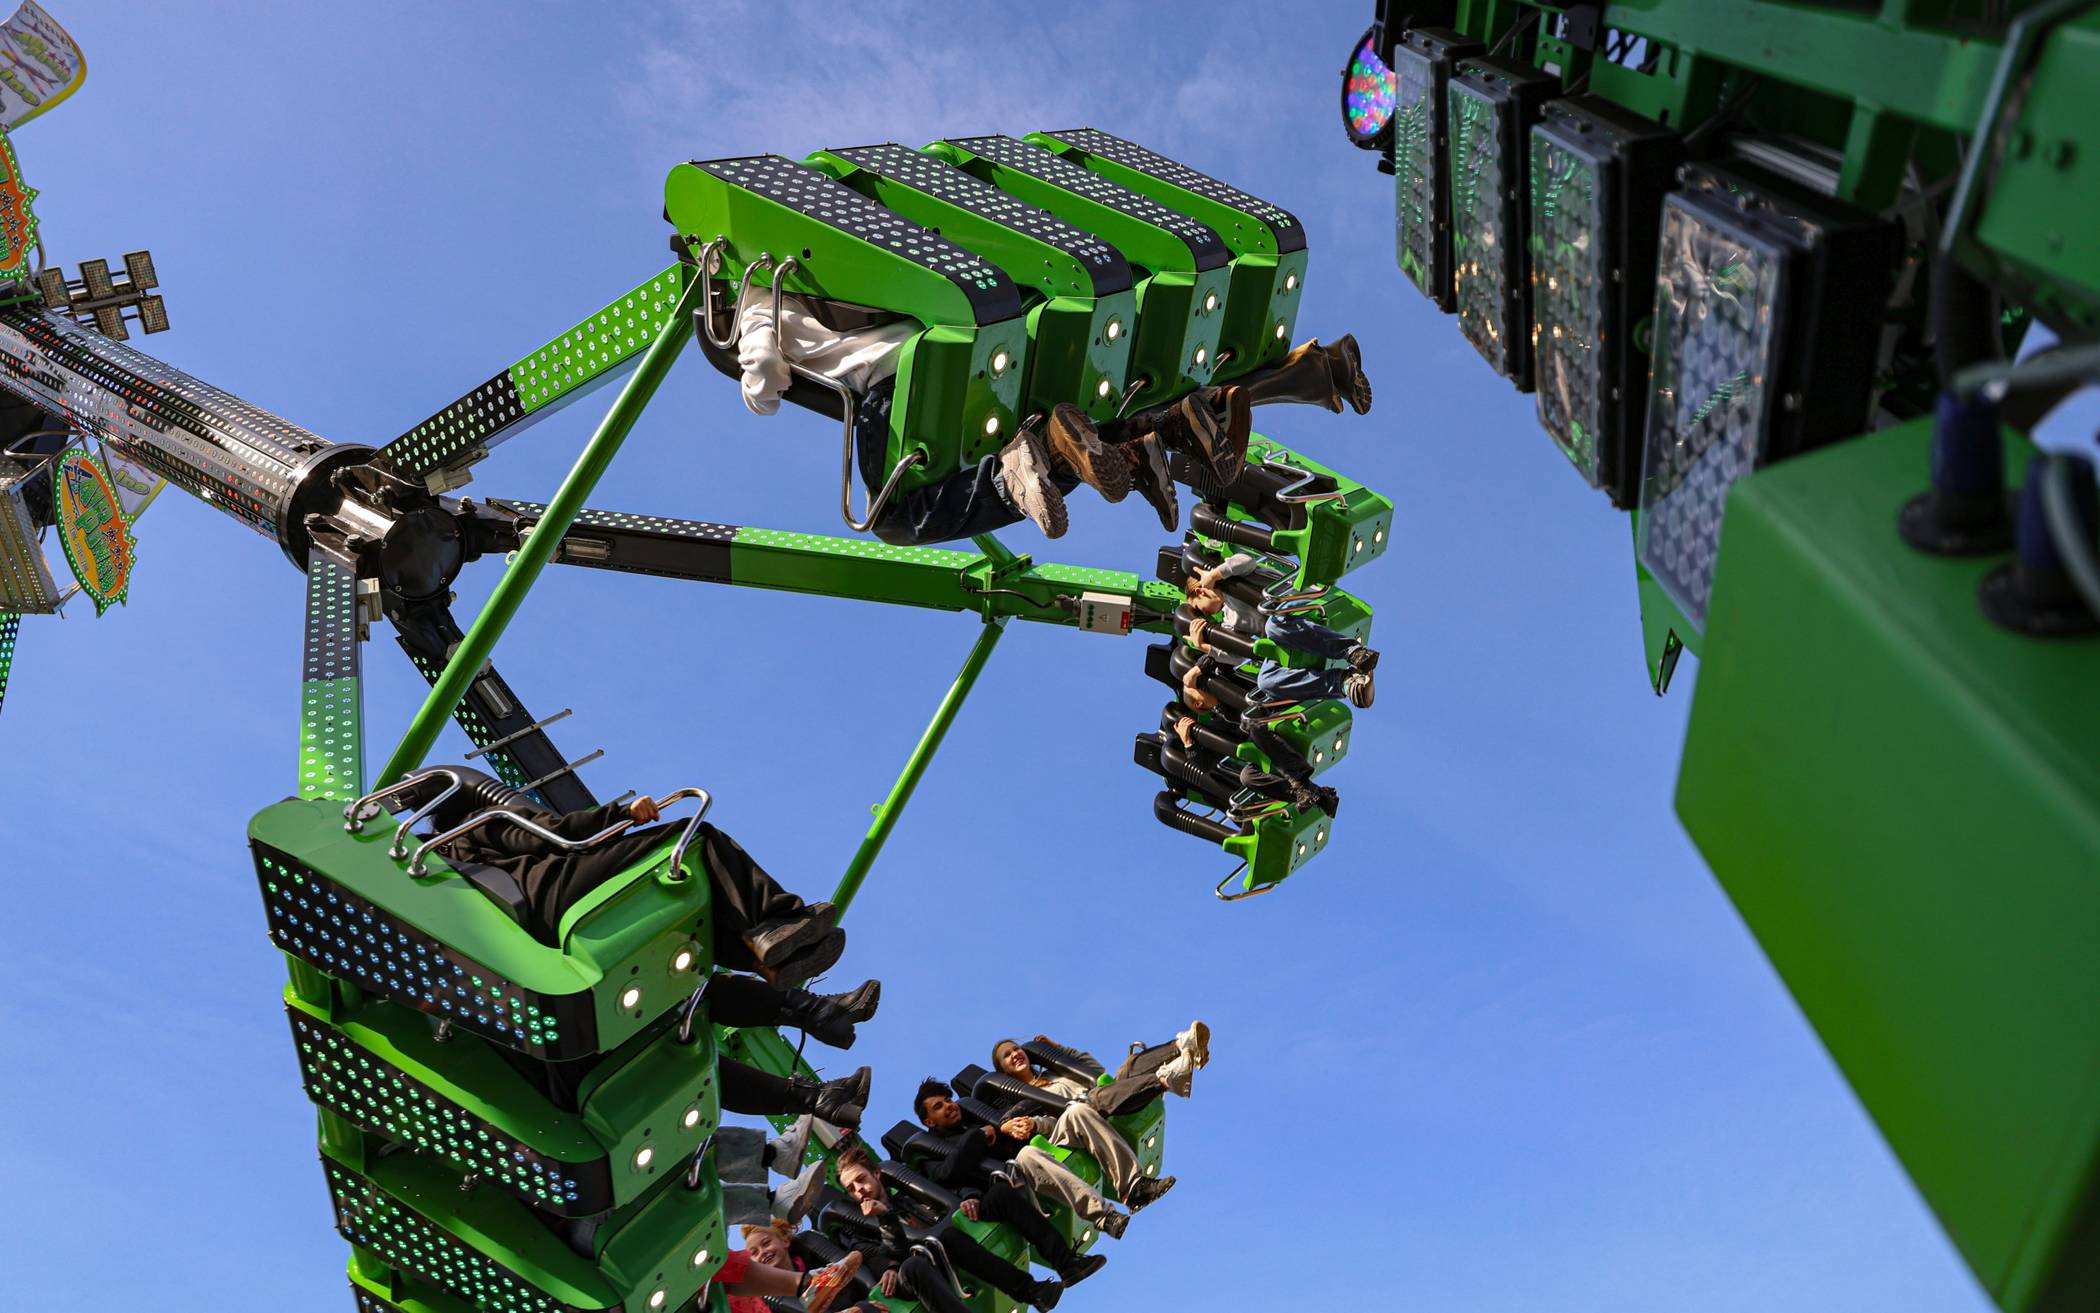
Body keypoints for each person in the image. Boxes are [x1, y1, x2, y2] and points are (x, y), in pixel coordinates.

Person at [411, 766, 843, 982]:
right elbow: (551, 834)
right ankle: (779, 920)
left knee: (687, 898)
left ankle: (759, 959)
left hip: (538, 922)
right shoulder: (485, 820)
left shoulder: (450, 858)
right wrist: (622, 814)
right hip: (556, 887)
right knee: (696, 840)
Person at [913, 1080, 1169, 1238]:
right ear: (929, 1122)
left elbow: (1011, 1124)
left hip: (1036, 1145)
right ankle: (1103, 1216)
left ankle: (1133, 1187)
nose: (949, 1106)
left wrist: (1025, 1124)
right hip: (1013, 1175)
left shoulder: (975, 1113)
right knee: (1027, 1154)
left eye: (948, 1100)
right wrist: (983, 1136)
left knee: (1077, 1111)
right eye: (939, 1106)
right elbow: (952, 1174)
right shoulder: (935, 1149)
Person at [831, 1143, 1067, 1313]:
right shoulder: (860, 1229)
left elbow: (950, 1189)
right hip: (923, 1268)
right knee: (942, 1242)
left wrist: (970, 1196)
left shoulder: (911, 1195)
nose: (859, 1189)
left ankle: (1062, 1267)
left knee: (999, 1194)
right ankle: (1029, 1290)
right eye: (851, 1188)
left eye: (861, 1180)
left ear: (876, 1173)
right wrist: (888, 1249)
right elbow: (883, 1257)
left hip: (958, 1243)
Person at [990, 1022, 1209, 1115]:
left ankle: (1183, 1047)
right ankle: (1166, 1079)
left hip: (1106, 1093)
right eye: (1007, 1056)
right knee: (1099, 1096)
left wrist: (1057, 1050)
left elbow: (1095, 1069)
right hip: (1085, 1114)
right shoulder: (1025, 1101)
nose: (1015, 1054)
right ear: (1005, 1072)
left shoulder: (1052, 1072)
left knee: (1126, 1068)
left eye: (1016, 1049)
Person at [713, 1219, 865, 1313]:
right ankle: (808, 1284)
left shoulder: (810, 1251)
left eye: (766, 1244)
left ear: (785, 1240)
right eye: (754, 1253)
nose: (762, 1253)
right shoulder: (766, 1299)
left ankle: (809, 1283)